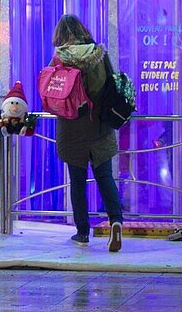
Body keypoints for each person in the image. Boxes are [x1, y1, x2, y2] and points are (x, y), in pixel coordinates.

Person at [51, 14, 124, 251]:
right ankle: (116, 222)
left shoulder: (59, 58)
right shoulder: (99, 55)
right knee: (105, 176)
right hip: (99, 125)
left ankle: (82, 232)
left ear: (61, 34)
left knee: (78, 182)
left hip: (71, 127)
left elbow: (54, 93)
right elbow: (113, 84)